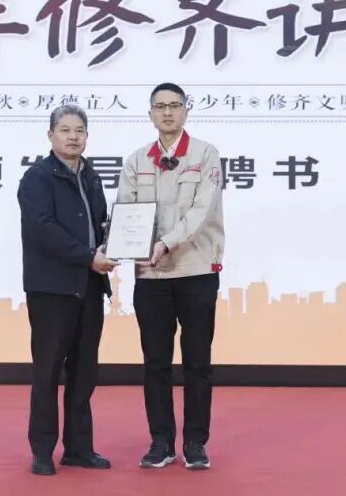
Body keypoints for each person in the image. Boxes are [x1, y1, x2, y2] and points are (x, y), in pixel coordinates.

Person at [116, 82, 225, 470]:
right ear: (150, 114)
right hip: (151, 276)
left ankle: (195, 442)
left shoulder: (206, 155)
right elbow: (126, 210)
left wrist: (165, 242)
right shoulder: (136, 161)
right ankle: (160, 441)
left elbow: (201, 212)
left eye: (174, 105)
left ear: (185, 111)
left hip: (196, 270)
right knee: (155, 363)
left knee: (197, 362)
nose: (167, 112)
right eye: (160, 106)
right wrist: (126, 245)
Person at [17, 104, 118, 476]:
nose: (73, 137)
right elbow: (43, 229)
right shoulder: (37, 178)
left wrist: (116, 239)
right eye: (65, 130)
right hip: (51, 290)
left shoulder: (91, 176)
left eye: (79, 131)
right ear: (51, 135)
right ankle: (42, 451)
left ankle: (78, 448)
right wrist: (89, 256)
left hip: (89, 287)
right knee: (47, 372)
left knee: (83, 372)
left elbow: (98, 224)